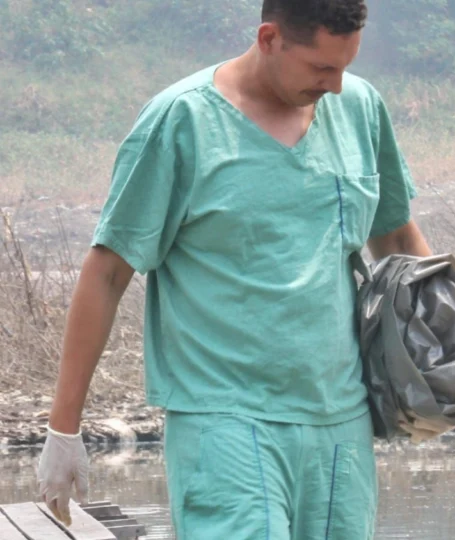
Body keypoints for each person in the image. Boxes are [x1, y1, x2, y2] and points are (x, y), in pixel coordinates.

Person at [36, 0, 431, 538]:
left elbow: (396, 237)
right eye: (321, 68)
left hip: (340, 420)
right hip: (226, 419)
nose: (335, 85)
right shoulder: (182, 121)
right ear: (269, 39)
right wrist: (64, 428)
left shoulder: (359, 108)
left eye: (345, 67)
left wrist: (448, 347)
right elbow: (107, 272)